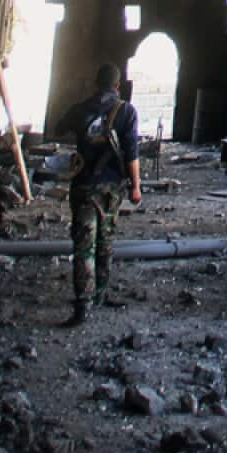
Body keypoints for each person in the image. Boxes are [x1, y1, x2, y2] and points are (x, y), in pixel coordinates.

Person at [51, 63, 142, 326]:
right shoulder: (126, 111)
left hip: (83, 185)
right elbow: (132, 154)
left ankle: (83, 304)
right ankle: (100, 292)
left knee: (83, 245)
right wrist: (136, 186)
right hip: (112, 188)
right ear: (117, 85)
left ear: (95, 83)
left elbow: (59, 129)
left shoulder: (80, 109)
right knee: (105, 240)